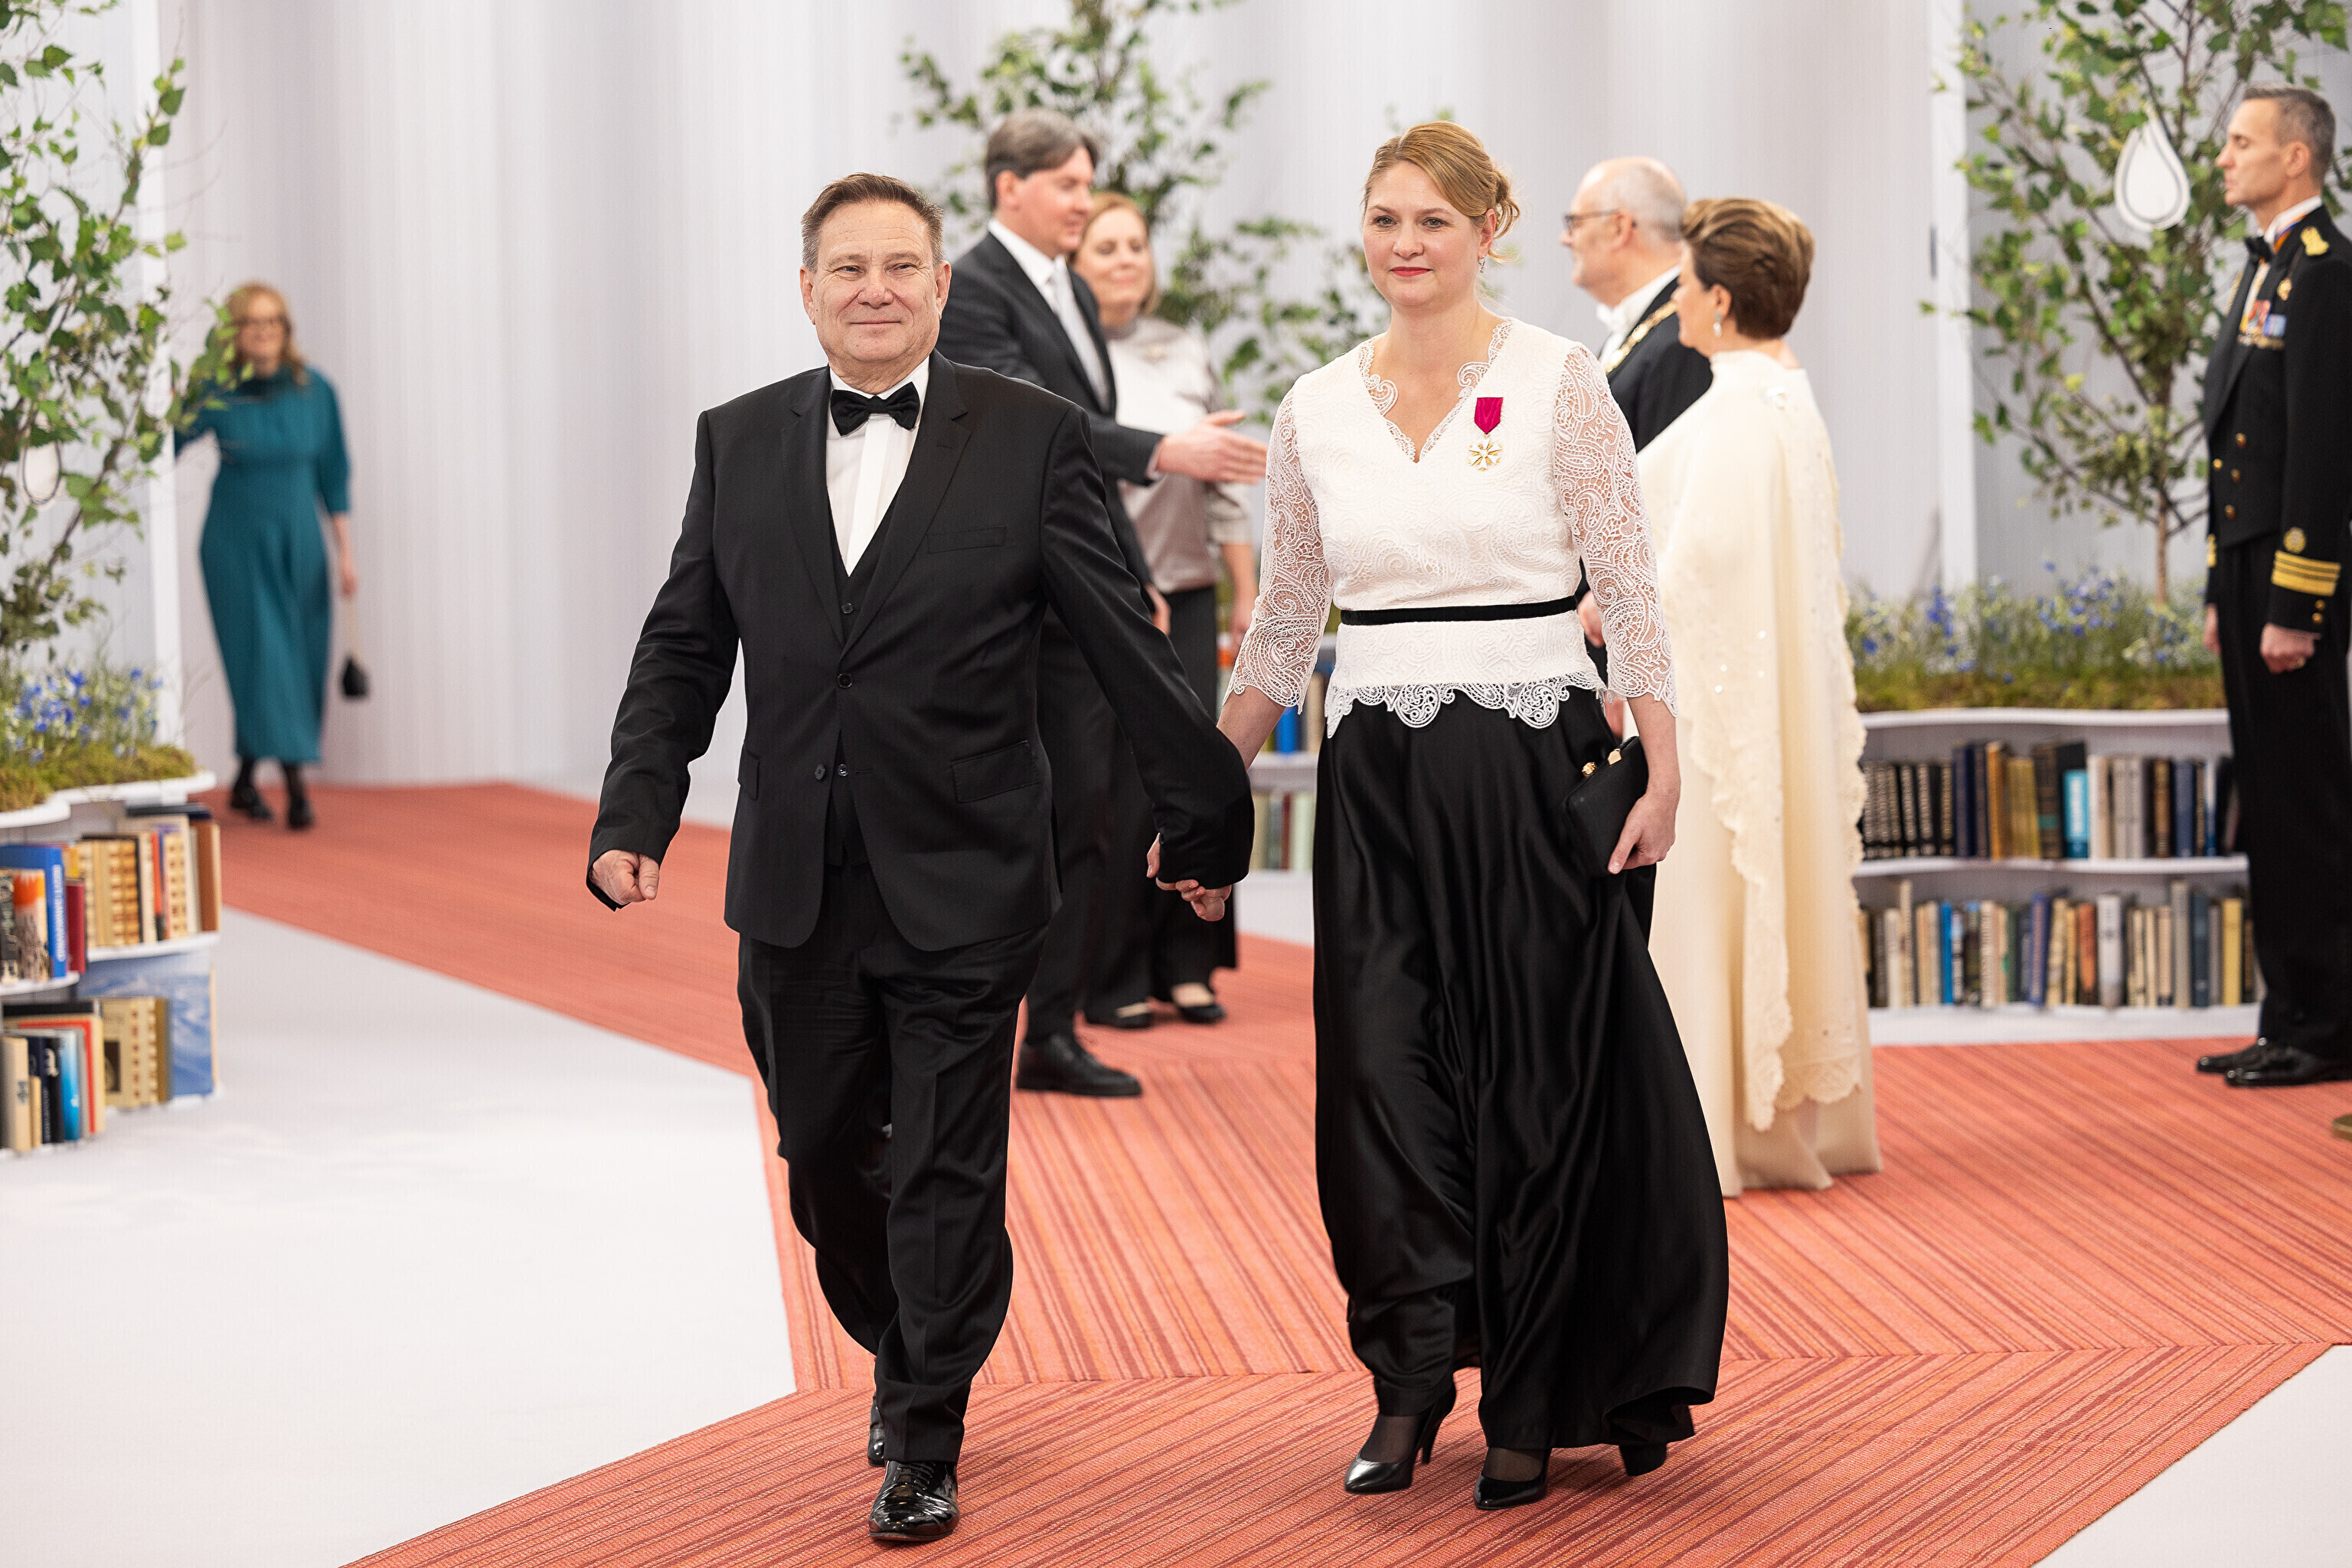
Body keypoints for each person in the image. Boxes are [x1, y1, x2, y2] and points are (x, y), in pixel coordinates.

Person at [585, 172, 1253, 1544]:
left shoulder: (1032, 435)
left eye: (902, 265)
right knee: (825, 1153)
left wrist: (1204, 815)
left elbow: (1119, 642)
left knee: (948, 1157)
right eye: (848, 268)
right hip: (795, 875)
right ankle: (911, 1330)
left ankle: (925, 1425)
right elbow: (685, 642)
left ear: (943, 286)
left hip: (970, 869)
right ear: (808, 291)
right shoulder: (738, 439)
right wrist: (635, 809)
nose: (876, 289)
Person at [1211, 122, 1726, 1511]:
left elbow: (1630, 587)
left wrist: (1665, 769)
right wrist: (1207, 791)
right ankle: (1409, 1379)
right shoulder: (1314, 407)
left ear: (1488, 229)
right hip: (1375, 783)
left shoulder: (1563, 381)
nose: (1406, 244)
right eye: (1385, 218)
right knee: (1383, 1084)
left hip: (1535, 773)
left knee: (1532, 1088)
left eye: (1434, 219)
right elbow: (1283, 627)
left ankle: (1531, 1392)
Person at [938, 109, 1266, 1097]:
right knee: (1031, 818)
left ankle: (1051, 1028)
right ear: (1010, 188)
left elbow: (1079, 473)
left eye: (1089, 183)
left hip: (1078, 590)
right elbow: (1035, 426)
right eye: (1070, 185)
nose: (1086, 202)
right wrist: (1167, 449)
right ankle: (997, 1026)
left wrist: (1130, 579)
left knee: (1085, 813)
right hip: (1012, 602)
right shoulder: (973, 287)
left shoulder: (1068, 285)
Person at [1632, 198, 1881, 1196]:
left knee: (1713, 896)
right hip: (1761, 689)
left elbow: (1704, 558)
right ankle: (1761, 1110)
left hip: (1717, 708)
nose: (1678, 306)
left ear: (1722, 302)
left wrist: (1617, 614)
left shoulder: (1738, 406)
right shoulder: (1785, 394)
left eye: (1688, 288)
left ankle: (1712, 1122)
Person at [2194, 84, 2352, 1091]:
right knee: (2269, 800)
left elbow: (2322, 454)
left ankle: (2329, 1024)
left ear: (2297, 157)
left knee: (2307, 804)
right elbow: (2234, 445)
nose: (2225, 157)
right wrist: (2224, 586)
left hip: (2294, 577)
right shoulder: (2268, 266)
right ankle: (2286, 1012)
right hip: (2249, 566)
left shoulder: (2327, 274)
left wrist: (2295, 604)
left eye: (2242, 142)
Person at [1070, 191, 1255, 1029]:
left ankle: (1188, 966)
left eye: (1135, 245)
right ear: (1075, 264)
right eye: (1105, 246)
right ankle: (1111, 976)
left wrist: (1245, 592)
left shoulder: (1184, 346)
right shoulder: (1069, 357)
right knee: (1115, 792)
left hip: (1187, 589)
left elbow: (1223, 482)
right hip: (1104, 598)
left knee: (1194, 772)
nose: (1124, 260)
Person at [178, 283, 354, 830]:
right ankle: (296, 786)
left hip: (301, 538)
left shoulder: (316, 390)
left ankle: (245, 779)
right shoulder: (218, 388)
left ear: (287, 328)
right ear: (234, 331)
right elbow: (167, 442)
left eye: (273, 320)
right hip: (236, 541)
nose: (264, 331)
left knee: (302, 657)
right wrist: (173, 399)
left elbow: (334, 474)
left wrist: (346, 554)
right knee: (264, 657)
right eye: (252, 322)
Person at [1561, 157, 1714, 449]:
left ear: (1618, 228)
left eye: (1575, 223)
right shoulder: (1654, 324)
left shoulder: (1684, 339)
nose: (1565, 239)